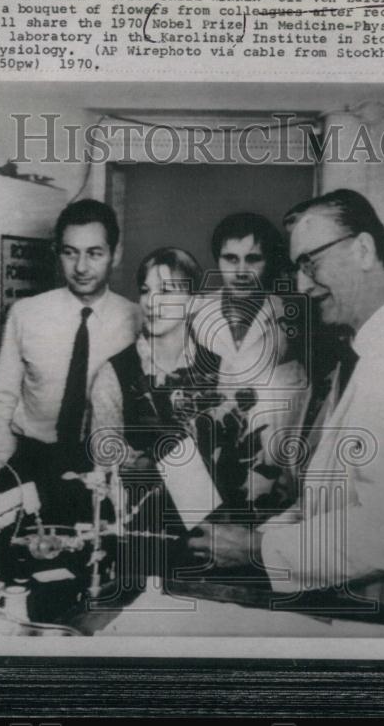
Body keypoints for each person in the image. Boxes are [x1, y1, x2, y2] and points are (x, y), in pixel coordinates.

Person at [188, 189, 384, 610]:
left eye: (311, 263)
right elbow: (325, 502)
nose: (302, 284)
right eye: (296, 268)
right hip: (365, 602)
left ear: (363, 249)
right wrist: (255, 537)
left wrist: (256, 549)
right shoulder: (375, 354)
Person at [87, 248, 292, 589]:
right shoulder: (114, 373)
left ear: (194, 302)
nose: (152, 302)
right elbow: (105, 469)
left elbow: (246, 458)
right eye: (146, 290)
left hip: (216, 543)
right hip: (146, 541)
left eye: (167, 291)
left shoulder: (222, 367)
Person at [0, 199, 140, 524]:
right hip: (32, 461)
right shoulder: (25, 314)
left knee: (94, 562)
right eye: (70, 252)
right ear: (58, 252)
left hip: (101, 466)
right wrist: (3, 459)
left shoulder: (136, 321)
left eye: (94, 253)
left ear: (116, 253)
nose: (81, 267)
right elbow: (1, 398)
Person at [190, 212, 300, 389]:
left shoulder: (289, 318)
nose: (241, 272)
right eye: (231, 259)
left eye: (253, 259)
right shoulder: (194, 315)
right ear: (217, 261)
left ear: (269, 262)